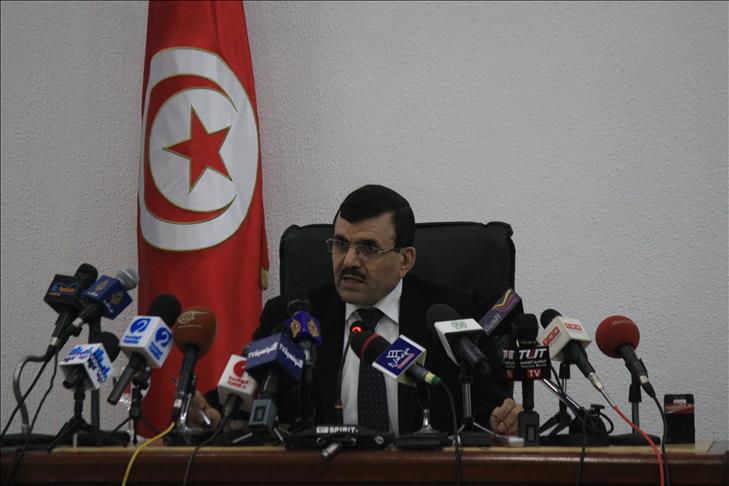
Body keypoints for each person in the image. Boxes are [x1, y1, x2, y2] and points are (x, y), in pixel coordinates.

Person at [195, 184, 522, 435]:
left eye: (368, 248)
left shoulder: (453, 316)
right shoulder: (291, 317)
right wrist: (210, 414)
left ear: (405, 260)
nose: (349, 261)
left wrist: (507, 419)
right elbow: (242, 393)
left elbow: (491, 411)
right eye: (340, 244)